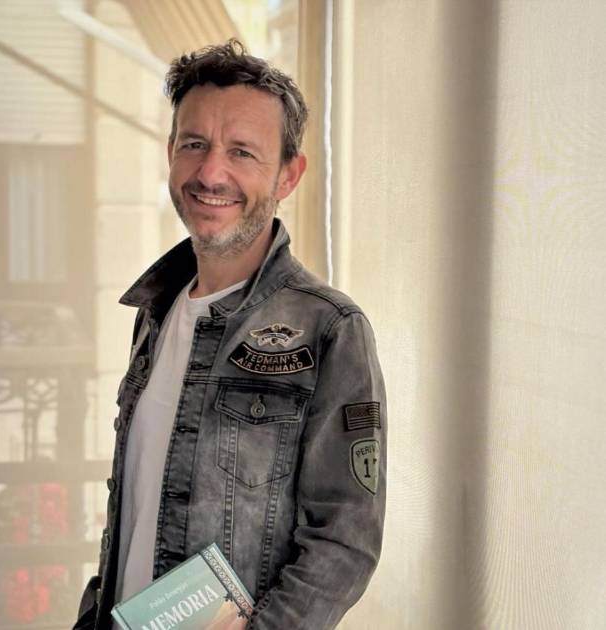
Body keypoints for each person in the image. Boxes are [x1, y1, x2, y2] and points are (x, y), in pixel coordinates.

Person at [74, 39, 386, 630]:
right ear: (171, 153)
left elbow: (345, 542)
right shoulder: (155, 312)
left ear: (289, 175)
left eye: (242, 152)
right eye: (194, 144)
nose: (211, 173)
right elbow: (133, 514)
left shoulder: (331, 330)